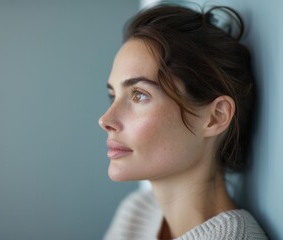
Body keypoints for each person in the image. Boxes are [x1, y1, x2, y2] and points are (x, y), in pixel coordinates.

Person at [98, 3, 267, 240]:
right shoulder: (138, 212)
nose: (105, 120)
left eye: (139, 95)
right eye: (113, 96)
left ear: (215, 117)